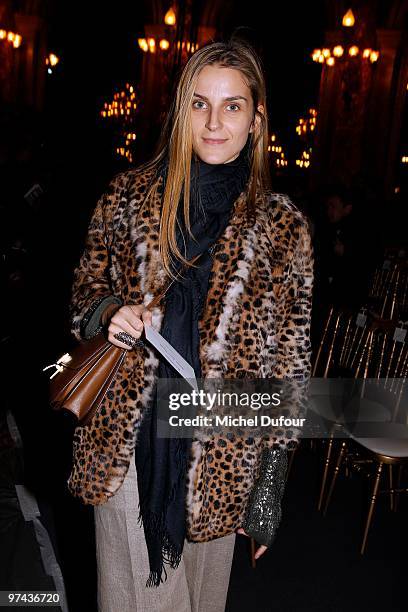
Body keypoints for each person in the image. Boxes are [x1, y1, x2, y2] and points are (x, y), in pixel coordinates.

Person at [67, 39, 314, 612]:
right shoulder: (126, 198)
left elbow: (290, 369)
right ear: (181, 110)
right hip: (131, 441)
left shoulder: (282, 228)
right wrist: (108, 312)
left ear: (256, 120)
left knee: (203, 601)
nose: (214, 122)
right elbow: (83, 291)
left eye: (233, 106)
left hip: (227, 449)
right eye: (199, 103)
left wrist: (269, 489)